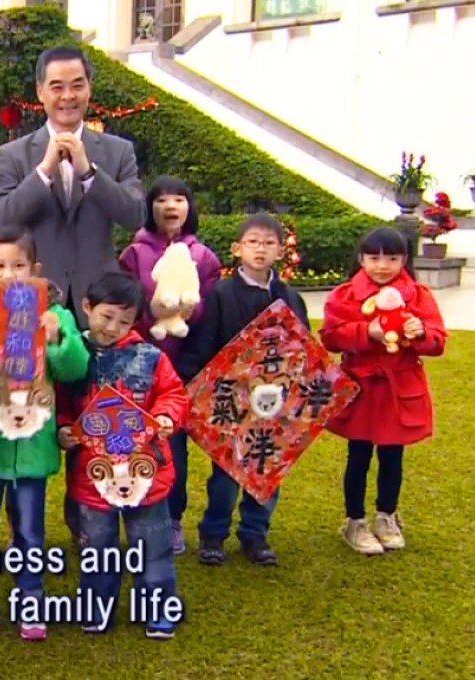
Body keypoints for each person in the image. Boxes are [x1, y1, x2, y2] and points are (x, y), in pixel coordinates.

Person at [0, 226, 89, 642]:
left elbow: (75, 369)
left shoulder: (57, 314)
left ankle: (30, 596)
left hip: (31, 446)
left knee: (30, 529)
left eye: (19, 266)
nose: (9, 275)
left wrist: (59, 336)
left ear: (35, 269)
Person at [56, 272, 187, 639]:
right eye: (106, 316)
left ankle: (158, 608)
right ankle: (97, 606)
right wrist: (63, 431)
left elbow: (174, 393)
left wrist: (165, 415)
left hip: (147, 473)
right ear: (87, 307)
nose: (112, 327)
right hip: (91, 475)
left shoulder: (150, 357)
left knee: (153, 547)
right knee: (97, 549)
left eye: (124, 321)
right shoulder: (73, 356)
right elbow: (60, 404)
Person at [176, 213, 309, 567]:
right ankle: (213, 534)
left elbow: (305, 350)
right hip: (232, 402)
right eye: (253, 242)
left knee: (266, 470)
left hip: (273, 405)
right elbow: (205, 342)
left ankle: (255, 533)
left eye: (269, 243)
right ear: (237, 249)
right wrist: (187, 381)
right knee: (226, 473)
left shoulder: (290, 298)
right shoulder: (220, 294)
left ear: (282, 250)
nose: (260, 249)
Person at [0, 45, 147, 330]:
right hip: (35, 304)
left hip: (100, 304)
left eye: (77, 85)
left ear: (89, 89)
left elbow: (136, 215)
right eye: (57, 87)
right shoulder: (14, 154)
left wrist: (89, 173)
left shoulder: (118, 151)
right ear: (40, 92)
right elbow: (2, 222)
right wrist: (44, 170)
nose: (67, 96)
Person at [320, 227, 446, 555]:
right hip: (361, 387)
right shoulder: (344, 295)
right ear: (361, 259)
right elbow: (330, 336)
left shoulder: (418, 295)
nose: (382, 265)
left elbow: (438, 340)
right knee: (358, 455)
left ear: (404, 259)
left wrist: (420, 334)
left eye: (392, 258)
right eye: (374, 257)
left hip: (399, 387)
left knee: (393, 456)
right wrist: (367, 332)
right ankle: (354, 521)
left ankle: (386, 516)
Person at [118, 176, 221, 555]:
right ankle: (129, 513)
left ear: (189, 207)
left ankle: (171, 520)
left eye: (179, 198)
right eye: (161, 199)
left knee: (172, 446)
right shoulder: (134, 253)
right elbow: (125, 305)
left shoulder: (204, 257)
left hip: (183, 368)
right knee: (131, 442)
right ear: (151, 208)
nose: (171, 205)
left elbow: (212, 310)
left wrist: (192, 314)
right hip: (139, 363)